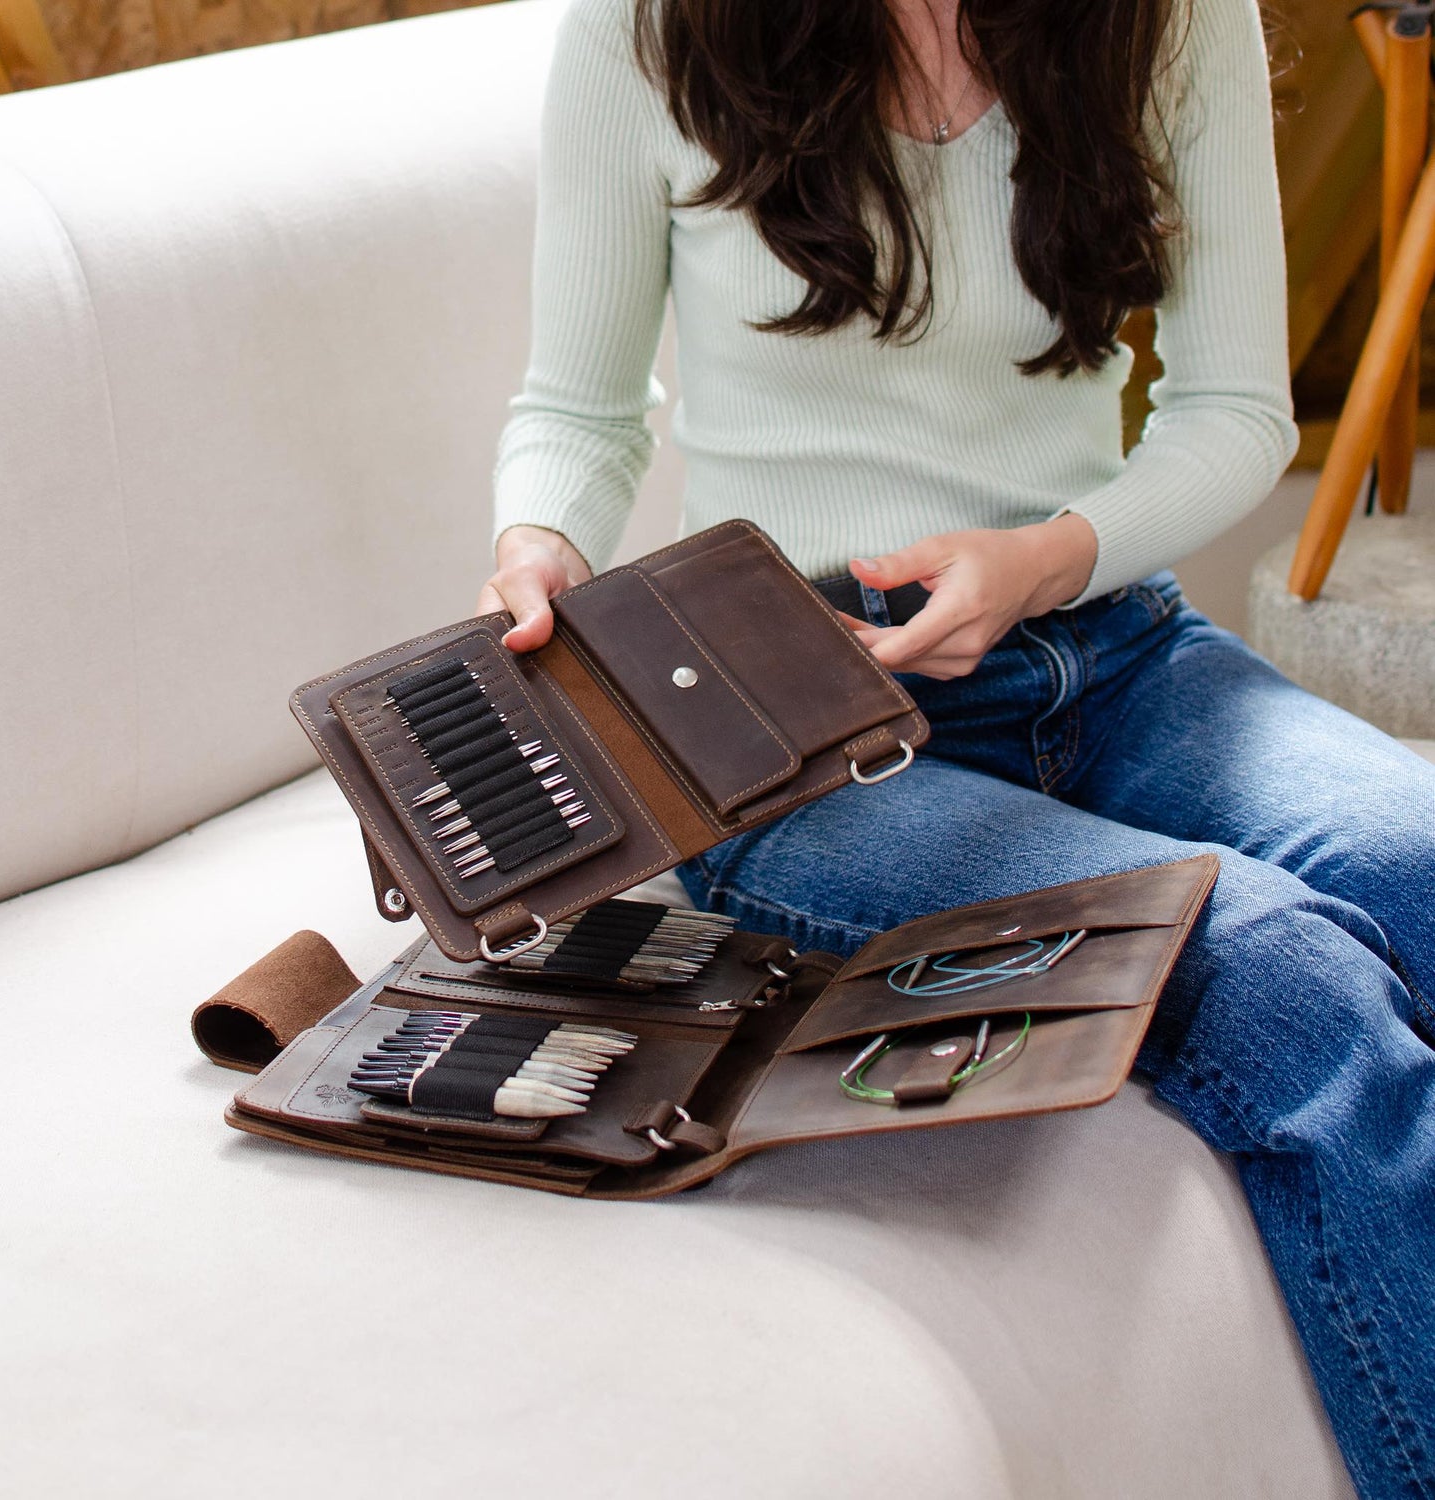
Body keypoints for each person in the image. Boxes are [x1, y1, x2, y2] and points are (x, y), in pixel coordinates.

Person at [476, 0, 1435, 1493]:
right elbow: (581, 411)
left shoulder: (1170, 19)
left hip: (1109, 643)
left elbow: (1233, 409)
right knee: (1283, 975)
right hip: (787, 727)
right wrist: (535, 548)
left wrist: (1047, 560)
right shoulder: (647, 27)